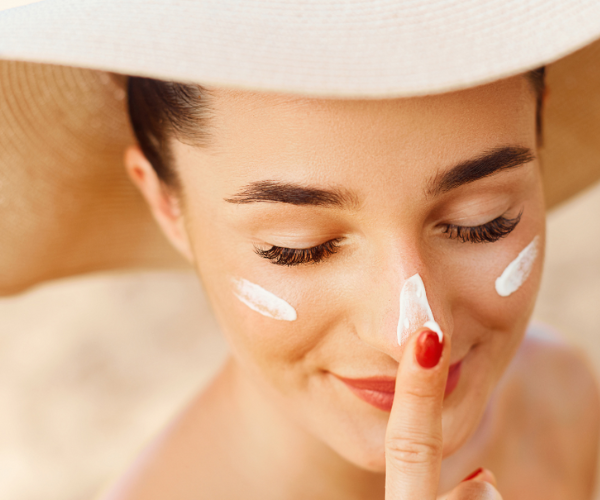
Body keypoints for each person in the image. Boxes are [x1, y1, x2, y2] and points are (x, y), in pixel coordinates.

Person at [2, 2, 600, 499]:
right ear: (167, 204)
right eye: (299, 248)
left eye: (482, 222)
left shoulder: (558, 396)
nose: (409, 332)